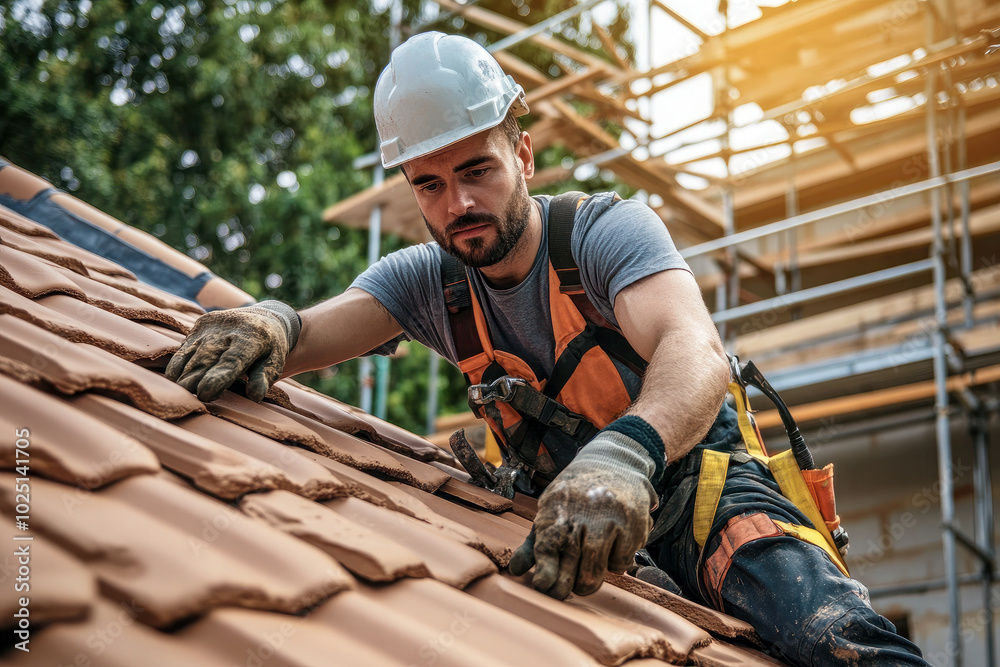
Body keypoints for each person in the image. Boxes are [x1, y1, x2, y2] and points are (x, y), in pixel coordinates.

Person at [166, 31, 928, 666]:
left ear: (523, 155)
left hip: (706, 504)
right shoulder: (430, 285)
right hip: (570, 534)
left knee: (841, 643)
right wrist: (266, 324)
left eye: (477, 171)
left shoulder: (602, 233)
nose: (458, 204)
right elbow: (309, 332)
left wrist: (627, 454)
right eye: (429, 184)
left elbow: (694, 349)